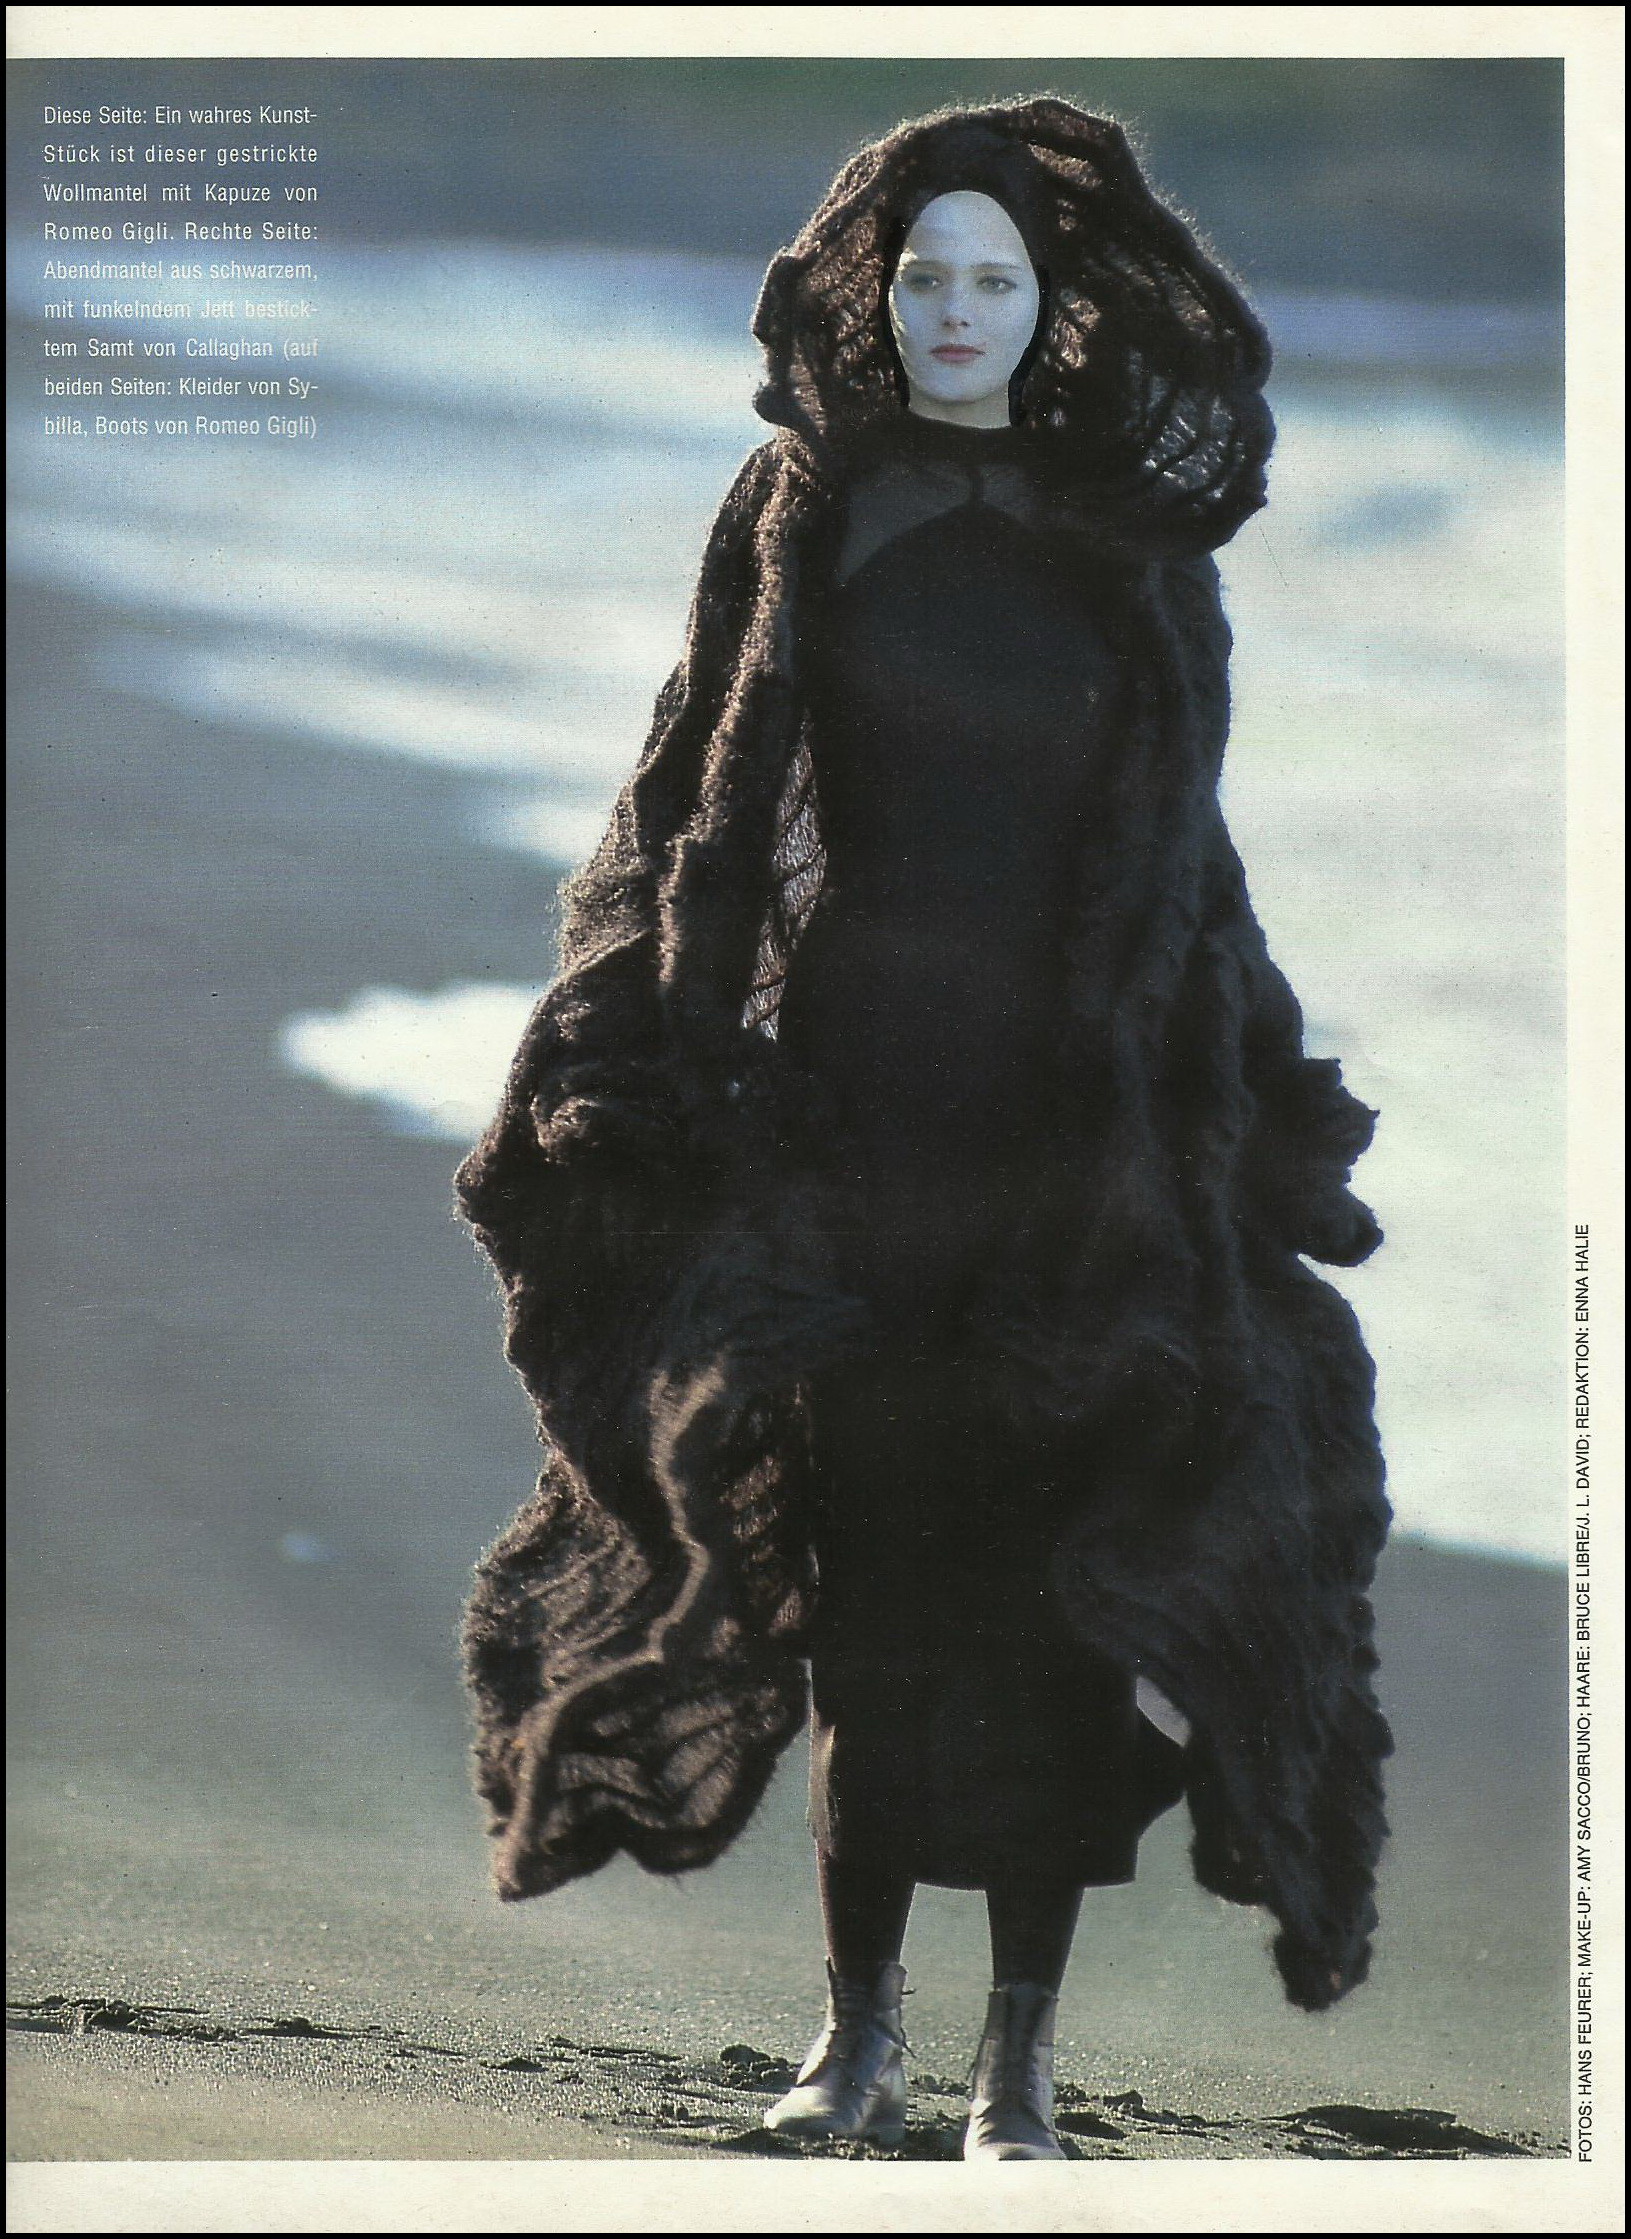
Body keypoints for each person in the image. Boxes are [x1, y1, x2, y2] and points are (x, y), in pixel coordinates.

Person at [455, 99, 1392, 2163]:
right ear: (871, 295)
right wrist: (630, 1042)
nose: (957, 308)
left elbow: (1188, 855)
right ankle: (852, 2041)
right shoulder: (809, 507)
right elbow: (690, 797)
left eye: (996, 278)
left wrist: (1258, 1094)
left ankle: (1017, 2071)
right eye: (925, 276)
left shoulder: (1126, 541)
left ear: (1054, 305)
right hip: (849, 1139)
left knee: (1054, 1596)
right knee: (875, 1595)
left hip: (1074, 1156)